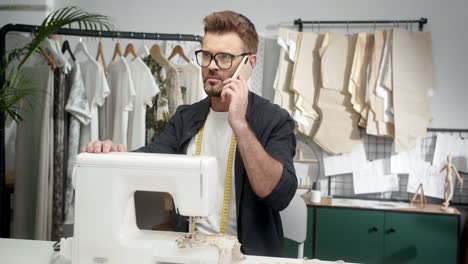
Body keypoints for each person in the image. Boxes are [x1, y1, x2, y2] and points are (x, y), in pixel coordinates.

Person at [81, 10, 297, 257]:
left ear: (250, 63)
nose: (212, 66)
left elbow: (279, 195)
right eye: (206, 55)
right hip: (190, 252)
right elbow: (150, 160)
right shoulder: (186, 117)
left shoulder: (275, 120)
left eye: (224, 57)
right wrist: (115, 155)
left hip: (249, 257)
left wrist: (239, 124)